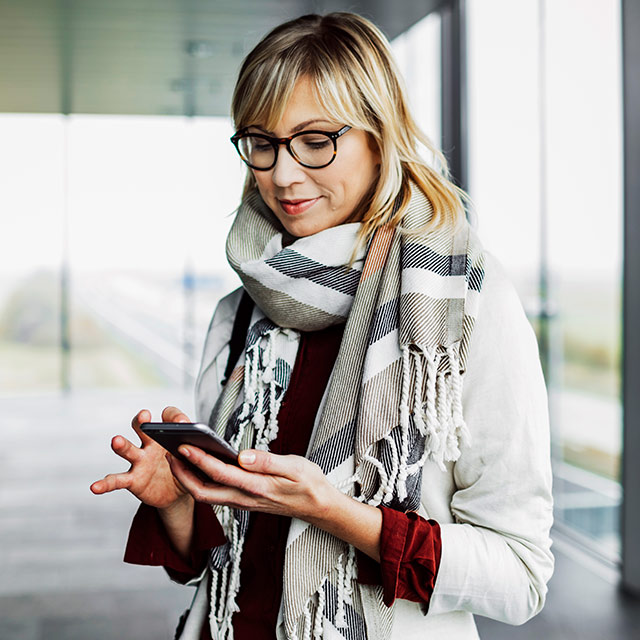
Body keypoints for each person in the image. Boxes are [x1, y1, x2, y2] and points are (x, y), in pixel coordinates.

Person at [91, 12, 553, 640]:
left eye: (314, 141)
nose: (282, 175)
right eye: (261, 141)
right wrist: (177, 504)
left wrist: (337, 515)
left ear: (379, 137)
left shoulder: (464, 304)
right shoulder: (243, 310)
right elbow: (220, 562)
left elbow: (521, 575)